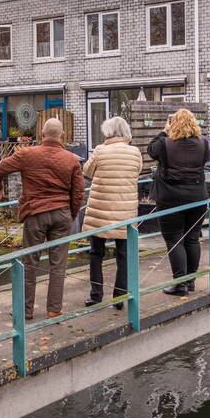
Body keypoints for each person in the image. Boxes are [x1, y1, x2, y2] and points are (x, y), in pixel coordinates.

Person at [0, 118, 84, 320]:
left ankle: (26, 310)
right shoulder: (71, 159)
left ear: (42, 134)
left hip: (35, 214)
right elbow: (78, 192)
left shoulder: (27, 154)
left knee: (30, 262)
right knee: (58, 264)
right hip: (61, 214)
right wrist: (71, 214)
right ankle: (54, 309)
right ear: (62, 136)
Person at [82, 116, 142, 310]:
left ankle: (96, 295)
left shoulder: (100, 150)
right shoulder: (135, 152)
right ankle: (119, 297)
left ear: (108, 132)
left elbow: (87, 171)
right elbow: (137, 172)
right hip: (125, 210)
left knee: (96, 253)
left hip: (100, 210)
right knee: (123, 255)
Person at [148, 108, 210, 297]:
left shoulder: (165, 143)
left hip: (170, 198)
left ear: (172, 124)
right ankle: (190, 281)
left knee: (174, 239)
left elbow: (151, 150)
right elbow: (205, 160)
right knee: (192, 238)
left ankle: (180, 283)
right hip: (197, 197)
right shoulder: (203, 143)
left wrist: (164, 131)